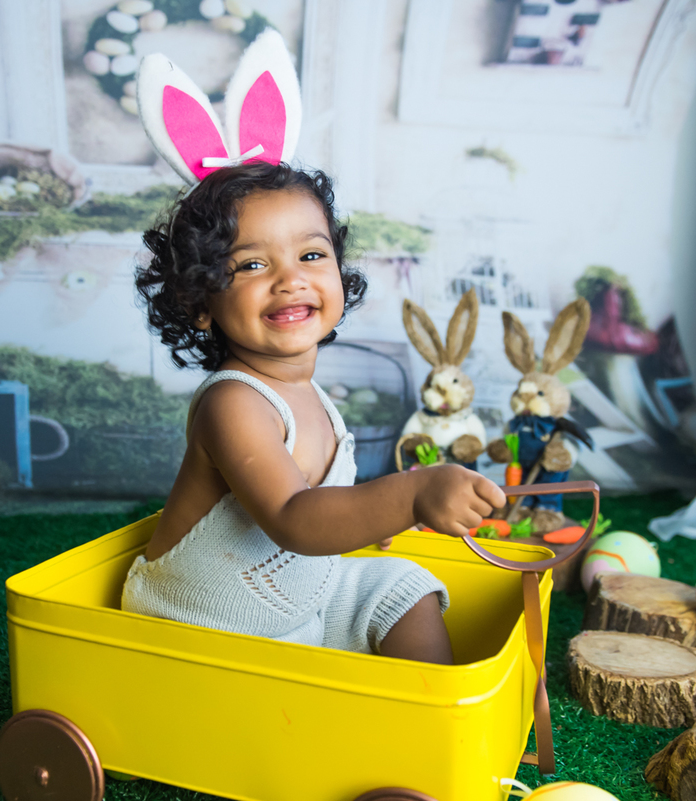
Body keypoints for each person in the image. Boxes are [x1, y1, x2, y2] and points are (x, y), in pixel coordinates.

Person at [122, 161, 506, 664]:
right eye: (252, 265)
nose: (290, 279)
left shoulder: (316, 398)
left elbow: (321, 501)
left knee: (403, 586)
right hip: (205, 632)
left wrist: (370, 515)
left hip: (298, 610)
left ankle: (433, 727)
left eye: (310, 254)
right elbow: (293, 519)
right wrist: (409, 495)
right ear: (201, 303)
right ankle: (406, 733)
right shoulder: (232, 403)